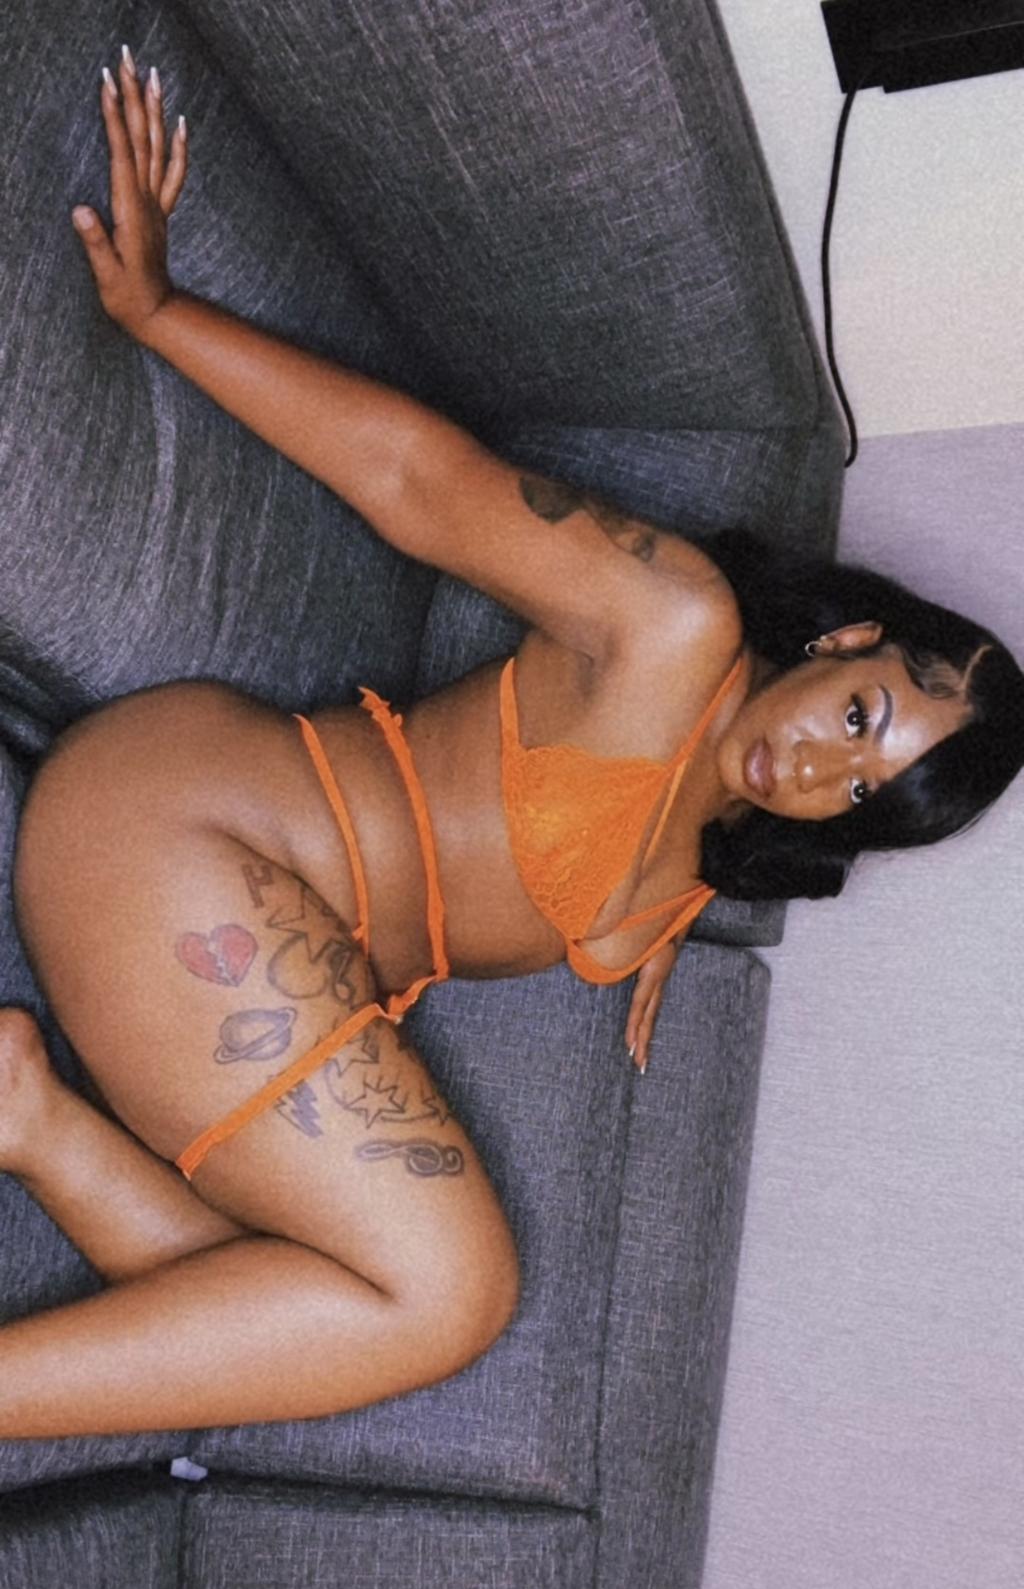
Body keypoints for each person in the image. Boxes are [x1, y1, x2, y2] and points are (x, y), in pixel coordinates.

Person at [0, 52, 1020, 1442]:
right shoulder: (676, 623)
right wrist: (163, 314)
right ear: (848, 639)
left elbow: (611, 843)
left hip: (262, 954)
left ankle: (35, 1124)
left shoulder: (723, 839)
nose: (819, 772)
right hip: (193, 836)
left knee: (276, 1311)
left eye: (860, 792)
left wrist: (655, 917)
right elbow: (418, 482)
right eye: (858, 717)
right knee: (451, 1297)